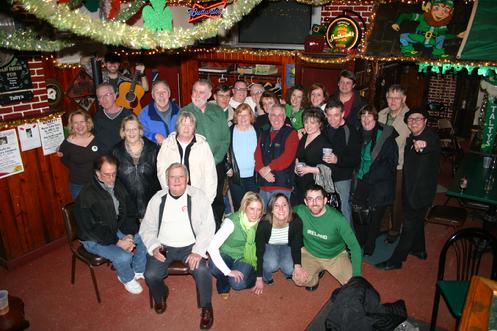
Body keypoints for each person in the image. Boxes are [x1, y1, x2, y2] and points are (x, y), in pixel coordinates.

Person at [139, 163, 215, 328]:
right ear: (167, 180)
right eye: (172, 177)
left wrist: (198, 251)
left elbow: (208, 226)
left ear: (187, 179)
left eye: (181, 176)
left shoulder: (198, 196)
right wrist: (153, 246)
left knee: (202, 270)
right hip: (164, 246)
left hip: (191, 246)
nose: (177, 180)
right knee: (150, 274)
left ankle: (206, 307)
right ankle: (161, 295)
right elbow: (147, 227)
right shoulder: (158, 198)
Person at [376, 107, 440, 270]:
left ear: (425, 121)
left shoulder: (428, 137)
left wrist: (423, 144)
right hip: (411, 189)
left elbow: (429, 144)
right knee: (416, 221)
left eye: (418, 119)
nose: (414, 122)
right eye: (411, 119)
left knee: (409, 225)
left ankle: (396, 260)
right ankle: (419, 250)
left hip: (420, 193)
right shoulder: (412, 138)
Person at [74, 154, 147, 294]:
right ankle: (126, 278)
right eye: (107, 175)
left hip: (114, 228)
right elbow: (92, 229)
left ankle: (138, 269)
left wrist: (130, 234)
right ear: (97, 173)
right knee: (124, 256)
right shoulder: (87, 196)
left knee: (144, 236)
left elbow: (130, 211)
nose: (111, 179)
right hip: (93, 237)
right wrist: (118, 241)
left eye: (114, 174)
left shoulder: (118, 185)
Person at [293, 184, 362, 291]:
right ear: (306, 202)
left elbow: (355, 247)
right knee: (299, 279)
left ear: (325, 200)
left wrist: (357, 275)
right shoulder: (300, 211)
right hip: (310, 254)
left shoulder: (338, 219)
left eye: (318, 199)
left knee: (353, 287)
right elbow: (282, 213)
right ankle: (314, 279)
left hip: (336, 256)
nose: (314, 203)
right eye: (310, 199)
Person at [181, 79, 230, 228]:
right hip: (193, 166)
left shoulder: (218, 111)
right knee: (195, 200)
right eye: (195, 91)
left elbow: (225, 139)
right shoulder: (184, 112)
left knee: (216, 198)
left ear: (209, 94)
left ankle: (214, 228)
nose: (197, 95)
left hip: (216, 163)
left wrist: (215, 159)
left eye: (202, 92)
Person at [352, 106, 398, 256]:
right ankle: (360, 242)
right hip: (360, 179)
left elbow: (391, 163)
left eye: (369, 116)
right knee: (358, 214)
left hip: (378, 183)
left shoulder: (386, 136)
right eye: (363, 116)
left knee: (374, 217)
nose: (366, 119)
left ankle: (369, 246)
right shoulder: (357, 133)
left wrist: (371, 175)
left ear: (375, 118)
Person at [208, 192, 264, 298]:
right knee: (214, 267)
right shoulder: (231, 222)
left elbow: (261, 249)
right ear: (244, 207)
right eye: (252, 209)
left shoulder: (261, 223)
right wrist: (227, 271)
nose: (255, 214)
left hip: (245, 257)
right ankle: (224, 283)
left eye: (259, 209)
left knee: (237, 284)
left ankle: (250, 276)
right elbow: (212, 247)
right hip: (226, 253)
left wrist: (259, 278)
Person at [156, 111, 217, 204]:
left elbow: (210, 175)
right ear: (177, 126)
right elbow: (161, 171)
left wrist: (208, 200)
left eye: (190, 125)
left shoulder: (203, 146)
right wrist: (169, 192)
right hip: (173, 196)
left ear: (194, 128)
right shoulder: (167, 144)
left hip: (197, 198)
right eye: (183, 124)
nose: (186, 128)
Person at [378, 85, 411, 243]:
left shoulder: (410, 118)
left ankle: (395, 230)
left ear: (403, 99)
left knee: (397, 200)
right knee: (381, 195)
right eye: (390, 97)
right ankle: (381, 226)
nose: (393, 101)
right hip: (380, 165)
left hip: (399, 165)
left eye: (397, 98)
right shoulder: (380, 115)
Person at [112, 115, 161, 220]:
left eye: (134, 129)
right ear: (123, 132)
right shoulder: (115, 152)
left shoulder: (153, 149)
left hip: (152, 207)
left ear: (140, 130)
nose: (131, 133)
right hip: (127, 210)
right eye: (128, 130)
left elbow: (160, 177)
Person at [254, 194, 303, 294]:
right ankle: (267, 277)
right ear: (271, 209)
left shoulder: (296, 221)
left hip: (287, 245)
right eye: (276, 205)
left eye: (284, 205)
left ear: (289, 208)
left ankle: (286, 271)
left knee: (290, 269)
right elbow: (259, 251)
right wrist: (259, 278)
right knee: (271, 265)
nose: (281, 209)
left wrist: (298, 266)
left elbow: (296, 246)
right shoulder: (264, 224)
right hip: (270, 245)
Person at [322, 100, 361, 223]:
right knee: (326, 210)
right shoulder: (324, 128)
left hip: (343, 178)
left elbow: (355, 159)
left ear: (343, 114)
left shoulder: (351, 131)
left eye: (336, 115)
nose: (332, 119)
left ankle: (349, 241)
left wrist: (337, 159)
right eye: (329, 115)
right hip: (324, 176)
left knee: (344, 211)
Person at [255, 104, 299, 207]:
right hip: (263, 185)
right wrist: (261, 169)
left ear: (284, 117)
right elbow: (257, 154)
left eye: (280, 115)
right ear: (269, 117)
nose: (276, 118)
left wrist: (268, 168)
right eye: (273, 115)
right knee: (264, 219)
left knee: (280, 219)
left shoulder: (291, 133)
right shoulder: (264, 133)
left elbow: (287, 157)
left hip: (282, 185)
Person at [58, 110, 102, 198]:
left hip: (98, 184)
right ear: (72, 125)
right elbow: (64, 159)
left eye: (82, 122)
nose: (79, 126)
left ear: (87, 123)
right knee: (82, 211)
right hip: (78, 186)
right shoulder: (67, 143)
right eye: (76, 123)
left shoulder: (97, 139)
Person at [294, 108, 332, 204]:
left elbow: (329, 169)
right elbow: (298, 156)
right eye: (306, 122)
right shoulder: (303, 137)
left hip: (315, 186)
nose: (308, 126)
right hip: (299, 183)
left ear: (320, 124)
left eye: (312, 123)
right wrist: (296, 165)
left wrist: (308, 169)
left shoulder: (324, 142)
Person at [227, 103, 259, 211]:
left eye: (246, 115)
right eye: (240, 115)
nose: (243, 118)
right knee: (239, 207)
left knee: (254, 207)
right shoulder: (229, 131)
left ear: (251, 116)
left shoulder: (258, 131)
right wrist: (228, 167)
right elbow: (223, 151)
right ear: (236, 117)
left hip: (254, 177)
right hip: (236, 177)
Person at [80, 53, 149, 94]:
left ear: (119, 64)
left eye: (115, 62)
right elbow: (82, 61)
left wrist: (142, 74)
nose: (112, 65)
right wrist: (94, 56)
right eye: (110, 62)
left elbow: (145, 89)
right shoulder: (99, 76)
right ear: (105, 63)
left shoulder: (126, 79)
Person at [93, 83, 133, 153]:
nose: (104, 99)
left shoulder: (128, 115)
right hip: (105, 158)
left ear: (115, 96)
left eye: (107, 95)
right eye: (100, 97)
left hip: (125, 156)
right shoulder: (96, 117)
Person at [138, 80, 180, 145]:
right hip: (154, 152)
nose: (161, 95)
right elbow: (139, 133)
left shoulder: (180, 112)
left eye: (164, 91)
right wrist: (154, 136)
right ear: (153, 96)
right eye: (157, 92)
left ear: (169, 94)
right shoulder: (144, 114)